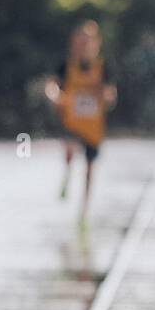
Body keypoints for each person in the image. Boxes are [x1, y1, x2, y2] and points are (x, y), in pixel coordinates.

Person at [44, 20, 117, 228]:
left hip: (93, 126)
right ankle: (66, 175)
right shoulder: (65, 65)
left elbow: (111, 93)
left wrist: (106, 96)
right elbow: (52, 85)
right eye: (80, 41)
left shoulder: (103, 67)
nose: (84, 45)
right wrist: (55, 96)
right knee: (70, 145)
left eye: (88, 41)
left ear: (96, 44)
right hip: (72, 122)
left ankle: (83, 210)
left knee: (90, 168)